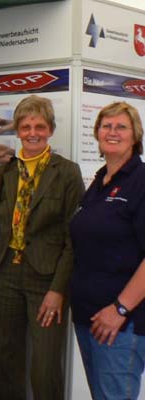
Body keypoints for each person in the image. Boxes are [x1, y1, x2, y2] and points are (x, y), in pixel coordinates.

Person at [0, 95, 84, 400]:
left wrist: (58, 289)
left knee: (45, 366)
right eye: (26, 126)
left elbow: (74, 239)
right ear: (17, 130)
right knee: (3, 360)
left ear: (50, 129)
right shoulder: (5, 172)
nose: (32, 133)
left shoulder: (67, 172)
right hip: (5, 274)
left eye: (39, 126)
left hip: (47, 280)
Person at [70, 102, 145, 400]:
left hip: (121, 322)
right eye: (106, 126)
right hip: (89, 317)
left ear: (135, 136)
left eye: (121, 127)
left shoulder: (140, 180)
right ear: (97, 132)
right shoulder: (100, 181)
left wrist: (120, 309)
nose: (112, 132)